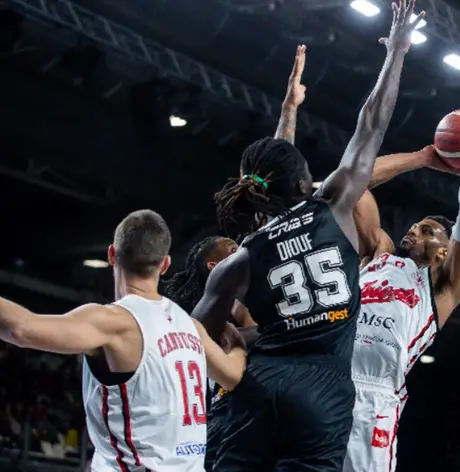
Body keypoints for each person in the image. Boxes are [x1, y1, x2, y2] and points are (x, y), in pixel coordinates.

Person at [190, 2, 425, 470]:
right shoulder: (332, 207)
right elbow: (371, 126)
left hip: (259, 386)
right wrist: (396, 51)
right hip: (324, 393)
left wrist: (238, 346)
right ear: (307, 185)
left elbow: (193, 333)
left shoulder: (245, 255)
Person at [0, 209, 247, 471]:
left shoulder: (114, 322)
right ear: (164, 265)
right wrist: (238, 344)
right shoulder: (192, 327)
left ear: (111, 254)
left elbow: (21, 329)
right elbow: (233, 375)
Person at [343, 114, 460, 472]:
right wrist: (425, 157)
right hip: (326, 376)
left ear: (445, 251)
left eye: (426, 230)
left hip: (375, 398)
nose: (413, 230)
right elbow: (354, 183)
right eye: (414, 225)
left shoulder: (444, 287)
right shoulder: (377, 255)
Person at [162, 235, 252, 471]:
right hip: (213, 419)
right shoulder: (202, 316)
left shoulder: (242, 301)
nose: (242, 252)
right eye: (234, 249)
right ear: (213, 266)